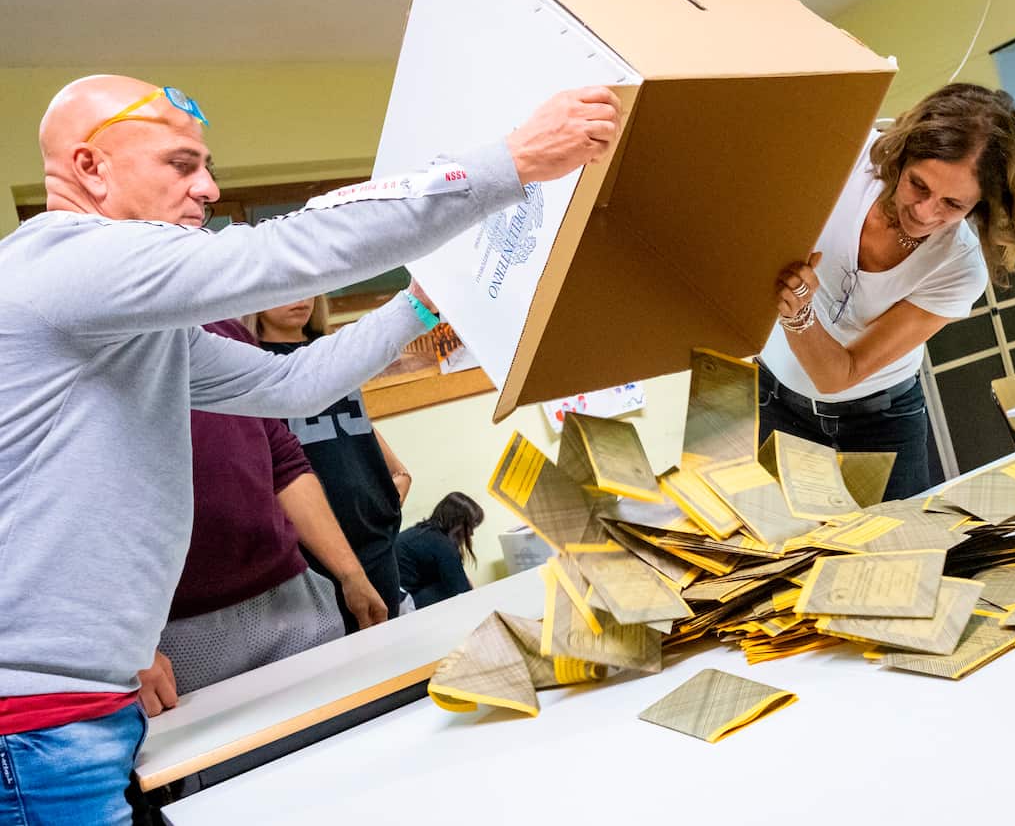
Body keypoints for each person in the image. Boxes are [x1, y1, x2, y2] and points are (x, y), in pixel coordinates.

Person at [0, 73, 619, 825]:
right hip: (38, 726)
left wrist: (422, 300)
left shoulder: (125, 323)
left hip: (82, 706)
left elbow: (294, 384)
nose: (208, 187)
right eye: (181, 163)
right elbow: (281, 256)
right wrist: (513, 161)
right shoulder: (58, 263)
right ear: (90, 167)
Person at [758, 83, 1015, 501]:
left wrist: (798, 314)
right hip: (774, 401)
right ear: (901, 157)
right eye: (918, 185)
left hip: (882, 424)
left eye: (953, 205)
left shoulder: (959, 267)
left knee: (894, 555)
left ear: (980, 207)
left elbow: (837, 374)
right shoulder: (846, 161)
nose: (924, 211)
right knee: (783, 553)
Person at [150, 316, 389, 699]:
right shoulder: (98, 349)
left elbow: (284, 461)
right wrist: (121, 646)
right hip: (177, 631)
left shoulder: (226, 332)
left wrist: (350, 573)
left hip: (291, 595)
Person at [254, 296, 413, 633]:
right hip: (313, 559)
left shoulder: (330, 350)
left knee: (391, 656)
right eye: (285, 287)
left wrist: (395, 479)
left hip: (376, 541)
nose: (299, 297)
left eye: (307, 285)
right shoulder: (251, 363)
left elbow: (354, 422)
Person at [396, 492, 484, 609]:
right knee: (453, 590)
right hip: (401, 605)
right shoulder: (442, 545)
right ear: (457, 524)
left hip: (392, 598)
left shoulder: (421, 532)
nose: (471, 533)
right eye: (471, 527)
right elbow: (463, 592)